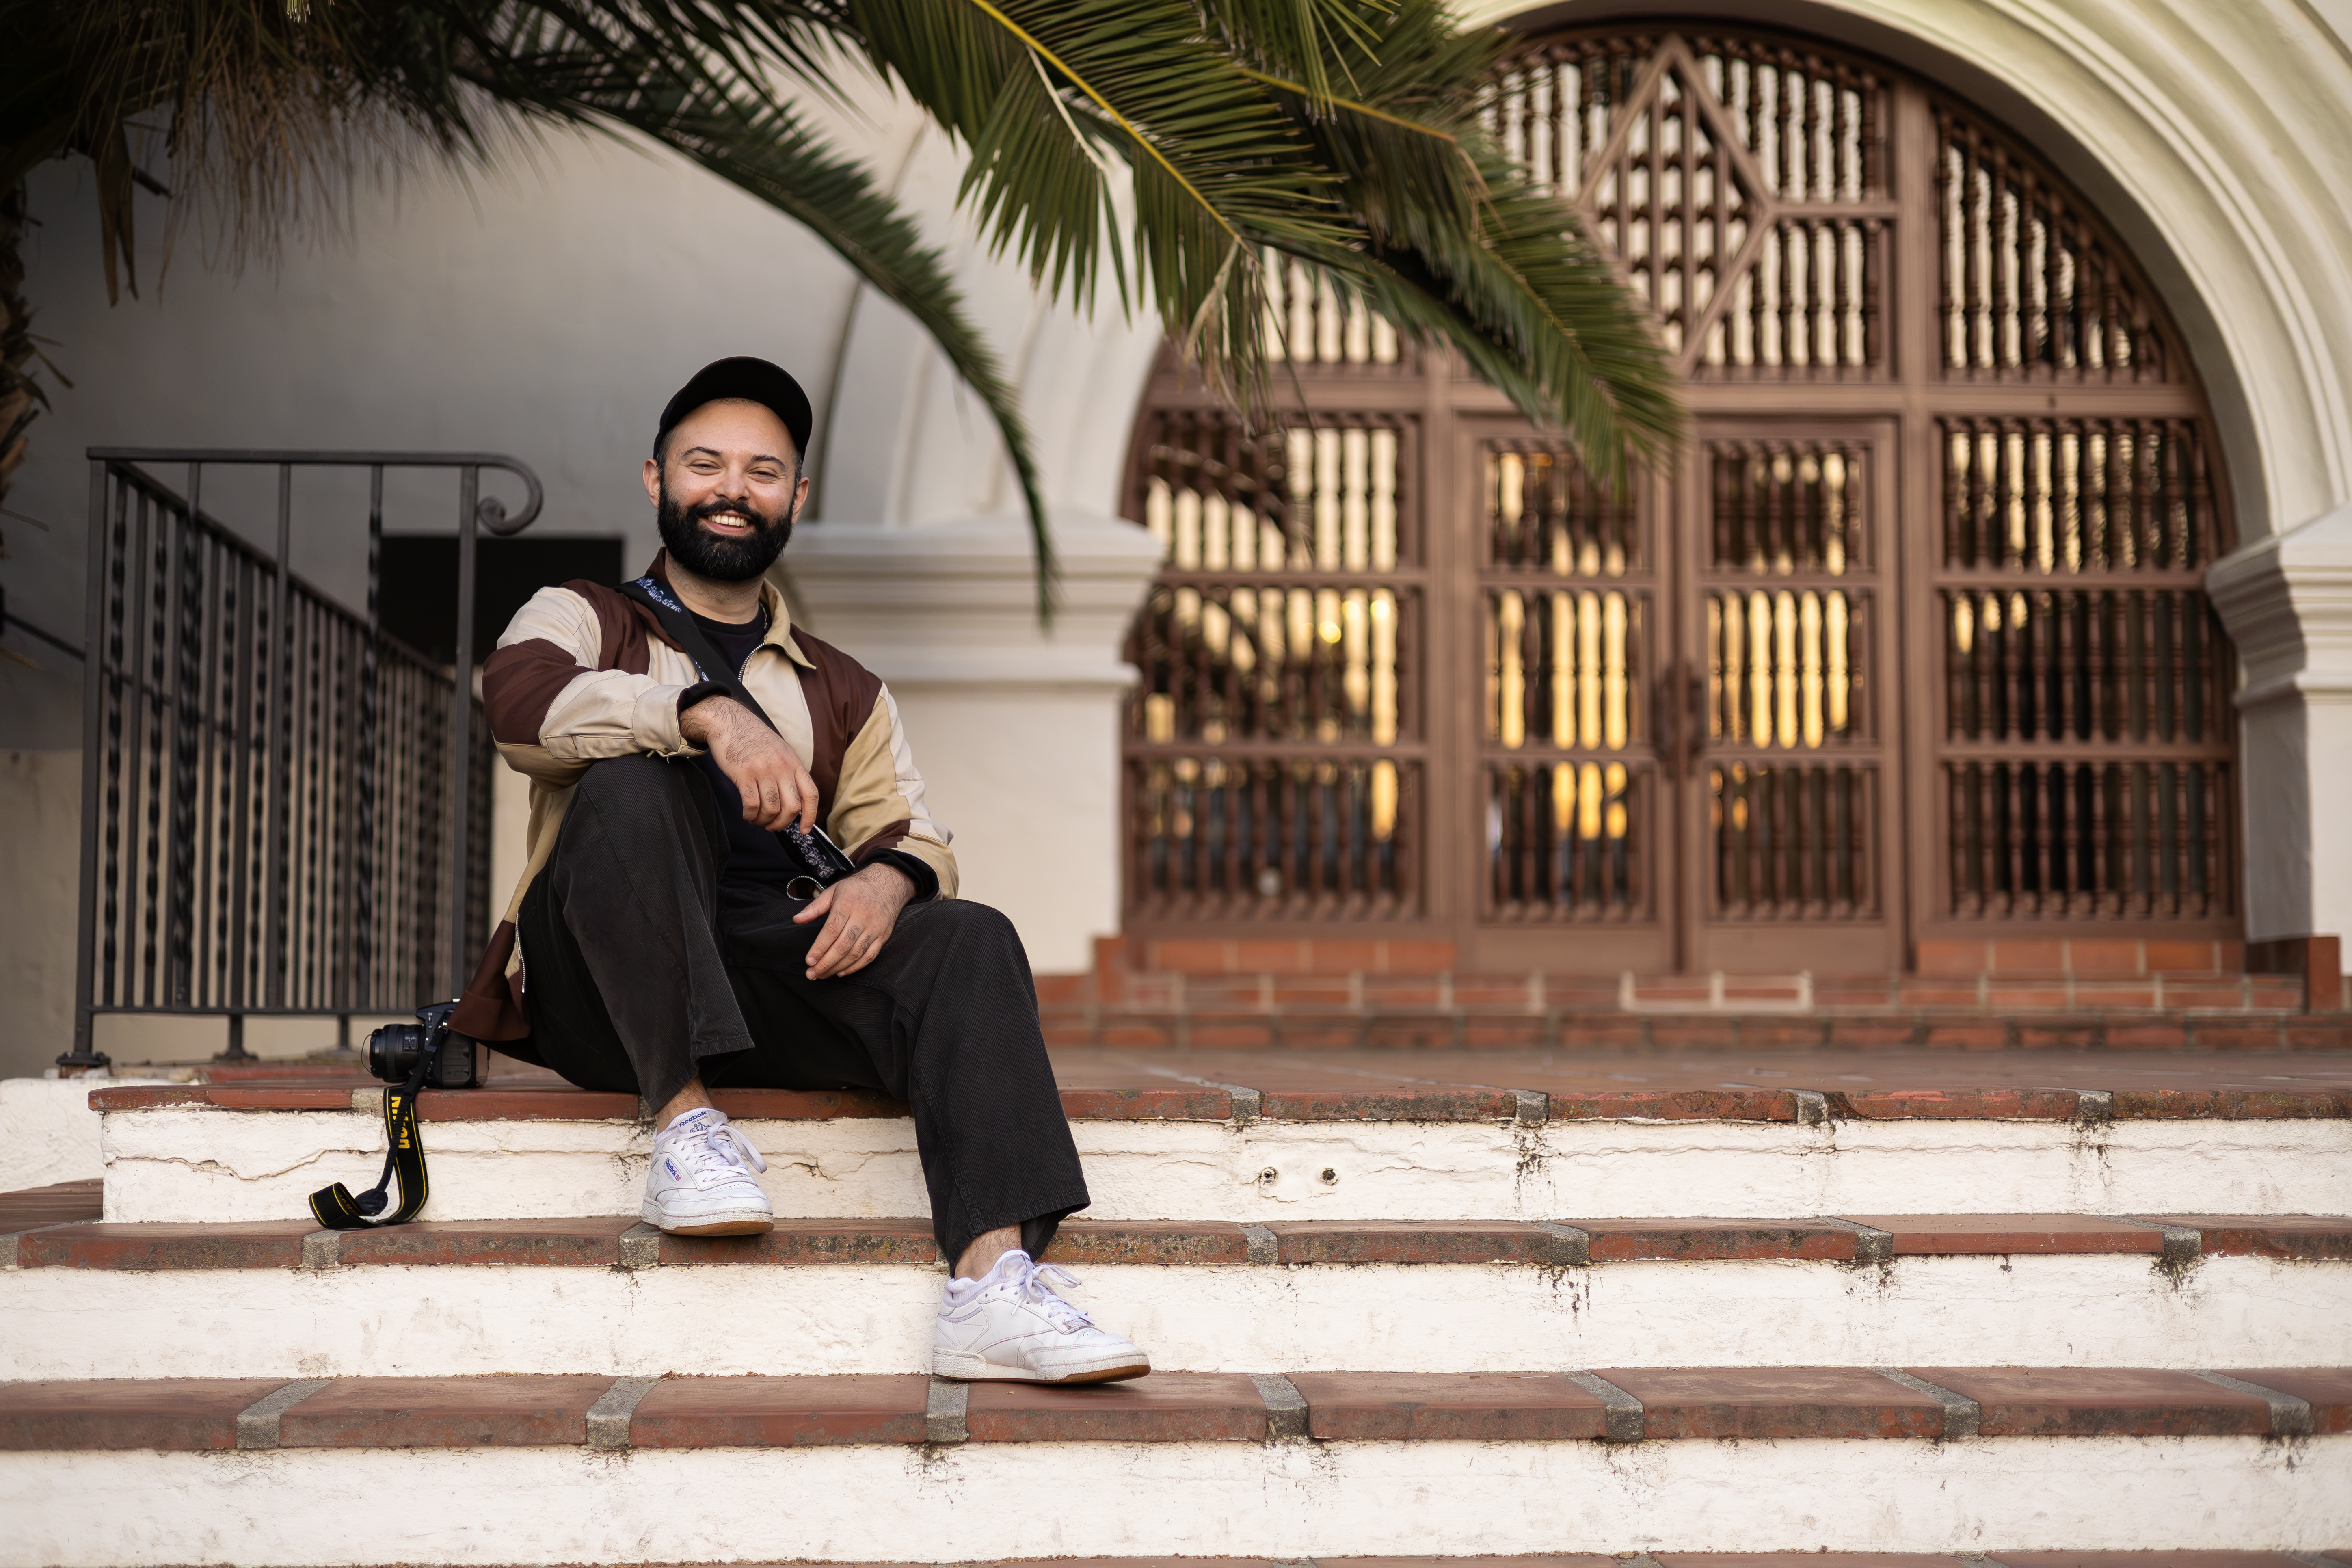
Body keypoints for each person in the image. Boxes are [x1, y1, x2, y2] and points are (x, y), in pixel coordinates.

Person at [453, 356, 1149, 1386]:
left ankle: (990, 1286)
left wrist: (888, 882)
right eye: (705, 464)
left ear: (795, 498)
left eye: (763, 471)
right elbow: (517, 706)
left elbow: (916, 830)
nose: (733, 488)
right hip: (603, 985)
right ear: (656, 480)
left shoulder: (843, 686)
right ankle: (685, 1124)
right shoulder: (581, 614)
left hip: (772, 978)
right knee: (636, 786)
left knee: (973, 932)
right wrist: (702, 714)